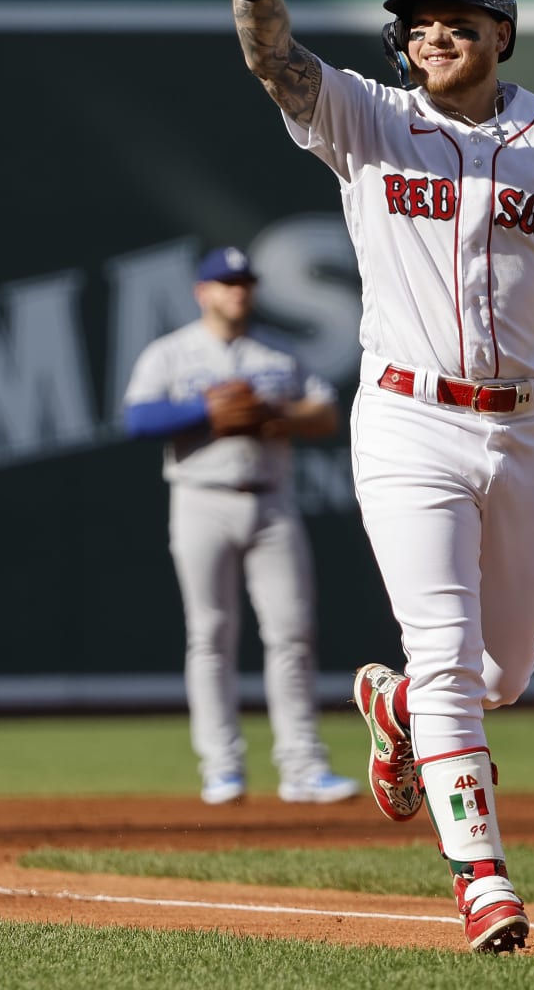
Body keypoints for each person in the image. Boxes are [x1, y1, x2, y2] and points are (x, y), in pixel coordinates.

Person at [207, 0, 534, 954]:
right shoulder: (370, 117)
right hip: (407, 419)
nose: (436, 37)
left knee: (504, 673)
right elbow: (275, 64)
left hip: (523, 424)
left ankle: (400, 708)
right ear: (401, 42)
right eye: (419, 26)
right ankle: (481, 878)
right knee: (451, 651)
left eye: (458, 24)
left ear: (501, 34)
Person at [122, 245, 361, 808]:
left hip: (272, 502)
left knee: (293, 633)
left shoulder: (277, 352)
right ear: (202, 292)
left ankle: (303, 766)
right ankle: (221, 767)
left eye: (245, 283)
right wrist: (205, 412)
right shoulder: (172, 353)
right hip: (200, 499)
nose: (238, 292)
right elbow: (138, 418)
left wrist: (274, 415)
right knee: (209, 635)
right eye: (227, 284)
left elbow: (325, 413)